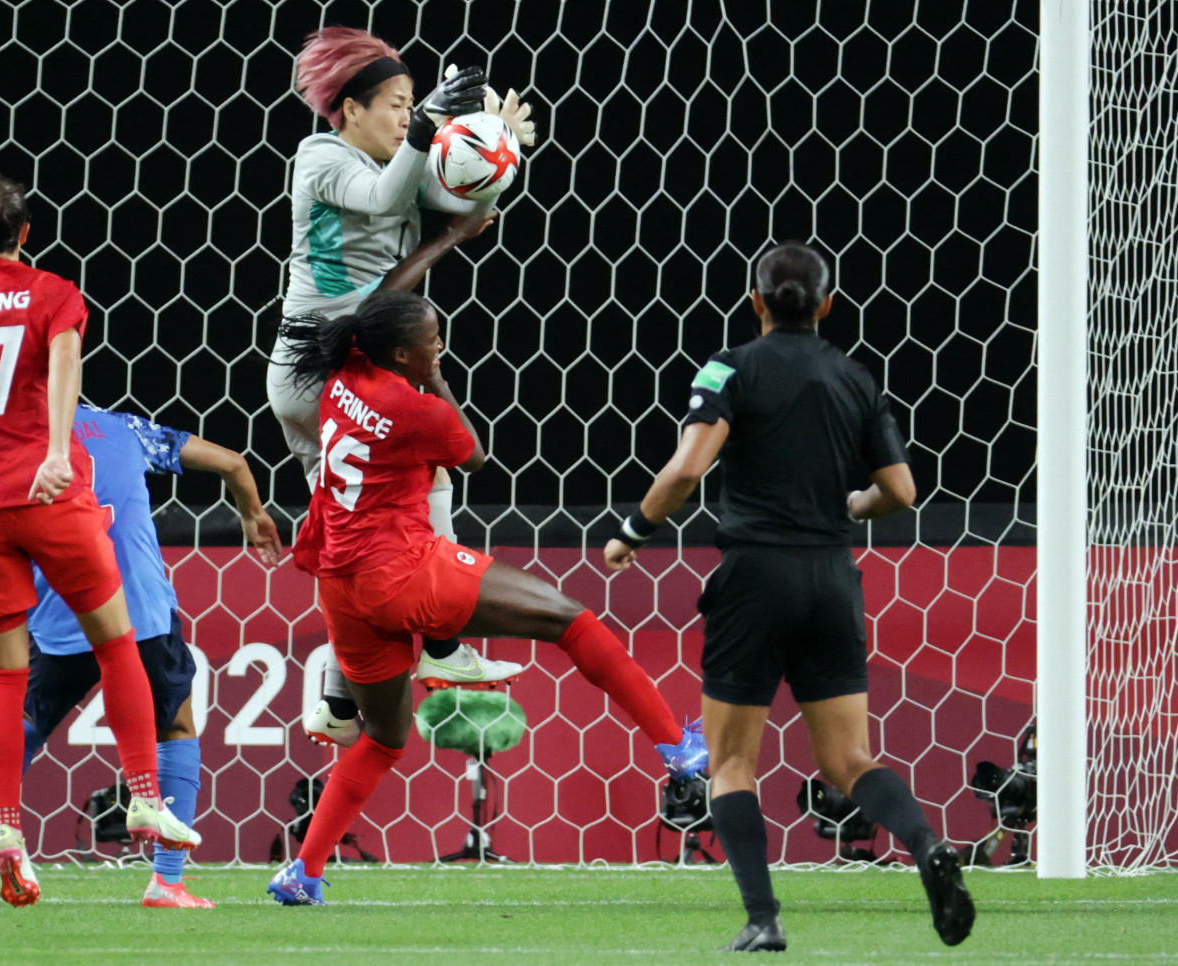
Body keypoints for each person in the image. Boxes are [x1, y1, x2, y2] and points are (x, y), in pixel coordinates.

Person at [263, 290, 707, 905]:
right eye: (432, 340)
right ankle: (676, 745)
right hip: (403, 570)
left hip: (341, 586)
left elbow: (383, 321)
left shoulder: (344, 375)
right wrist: (437, 379)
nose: (440, 346)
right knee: (570, 620)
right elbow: (474, 456)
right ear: (399, 352)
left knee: (386, 737)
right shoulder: (415, 407)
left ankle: (302, 872)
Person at [603, 242, 975, 951]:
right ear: (828, 306)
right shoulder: (856, 378)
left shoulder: (730, 368)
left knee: (731, 762)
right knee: (850, 761)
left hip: (755, 579)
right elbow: (901, 492)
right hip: (832, 578)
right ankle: (925, 843)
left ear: (756, 302)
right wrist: (851, 506)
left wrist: (633, 531)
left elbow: (686, 468)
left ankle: (763, 919)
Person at [0, 171, 200, 906]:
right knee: (117, 641)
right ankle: (146, 797)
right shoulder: (52, 291)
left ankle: (2, 828)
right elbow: (64, 365)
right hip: (45, 493)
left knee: (1, 676)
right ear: (26, 234)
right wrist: (55, 451)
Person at [0, 404, 282, 907]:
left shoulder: (2, 448)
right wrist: (253, 513)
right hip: (139, 611)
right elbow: (233, 462)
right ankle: (167, 881)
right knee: (175, 727)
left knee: (18, 734)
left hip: (59, 621)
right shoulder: (128, 430)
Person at [269, 27, 538, 744]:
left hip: (334, 369)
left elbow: (460, 188)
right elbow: (390, 203)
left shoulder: (400, 155)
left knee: (353, 539)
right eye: (394, 104)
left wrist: (495, 141)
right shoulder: (321, 157)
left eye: (411, 104)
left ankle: (337, 698)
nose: (404, 118)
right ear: (349, 109)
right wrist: (433, 138)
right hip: (319, 371)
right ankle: (445, 647)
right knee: (433, 476)